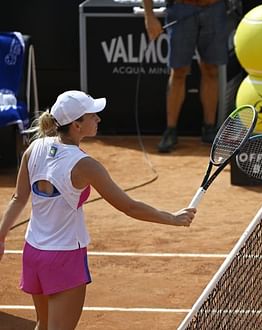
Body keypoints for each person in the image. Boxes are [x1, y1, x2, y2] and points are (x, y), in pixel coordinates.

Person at [0, 90, 196, 329]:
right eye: (93, 115)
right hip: (63, 258)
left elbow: (18, 198)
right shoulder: (85, 165)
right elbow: (129, 207)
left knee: (43, 325)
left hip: (32, 253)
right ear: (76, 125)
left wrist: (1, 237)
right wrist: (172, 218)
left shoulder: (34, 148)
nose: (98, 119)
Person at [142, 0, 228, 152]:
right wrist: (149, 15)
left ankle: (209, 128)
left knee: (211, 69)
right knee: (179, 71)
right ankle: (171, 130)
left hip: (214, 7)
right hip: (181, 8)